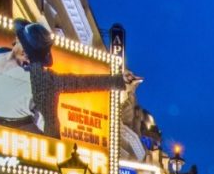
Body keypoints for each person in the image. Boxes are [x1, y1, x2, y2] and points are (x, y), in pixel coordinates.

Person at [12, 19, 140, 139]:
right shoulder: (0, 63)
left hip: (45, 142)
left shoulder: (46, 79)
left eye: (21, 43)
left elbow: (84, 82)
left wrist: (119, 80)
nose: (16, 45)